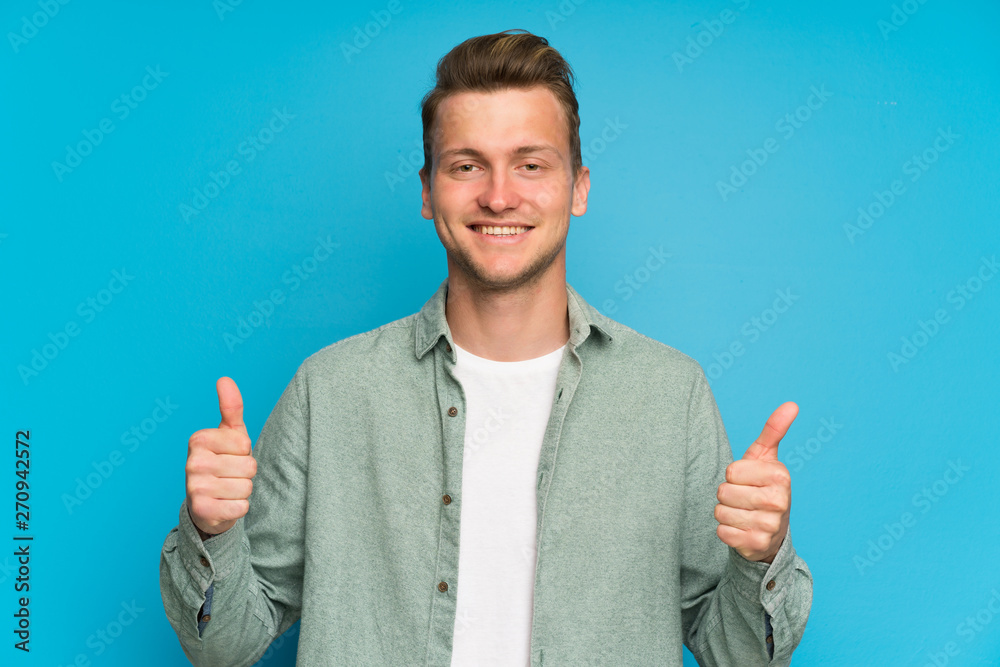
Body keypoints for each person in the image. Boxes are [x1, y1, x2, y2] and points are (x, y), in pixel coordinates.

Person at [159, 29, 812, 666]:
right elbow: (226, 646)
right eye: (467, 165)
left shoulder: (671, 395)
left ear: (579, 187)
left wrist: (761, 557)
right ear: (426, 190)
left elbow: (739, 656)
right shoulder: (330, 390)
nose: (500, 195)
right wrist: (211, 531)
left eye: (531, 164)